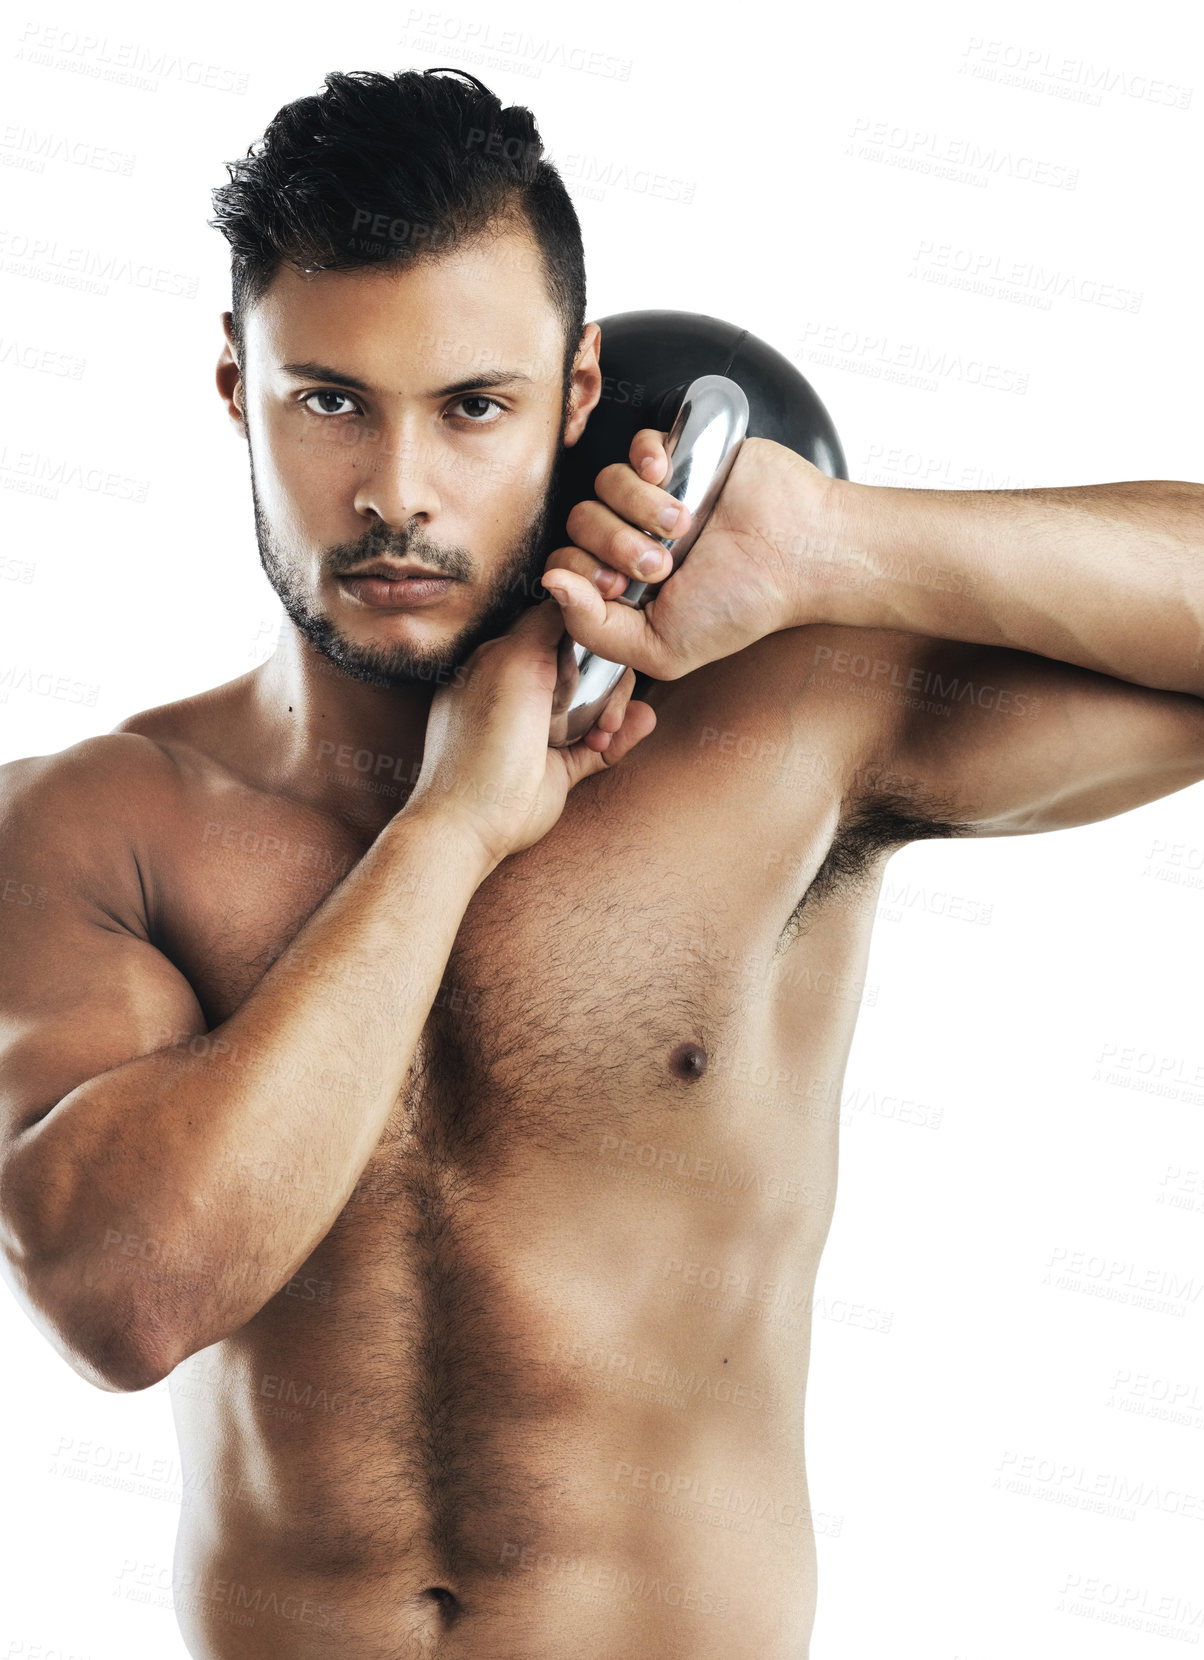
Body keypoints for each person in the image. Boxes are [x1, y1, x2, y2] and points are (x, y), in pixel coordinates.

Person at [1, 65, 1201, 1660]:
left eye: (474, 407)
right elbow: (127, 1293)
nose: (398, 492)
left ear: (577, 400)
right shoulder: (92, 827)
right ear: (238, 388)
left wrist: (847, 546)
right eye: (331, 399)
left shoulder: (791, 733)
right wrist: (453, 828)